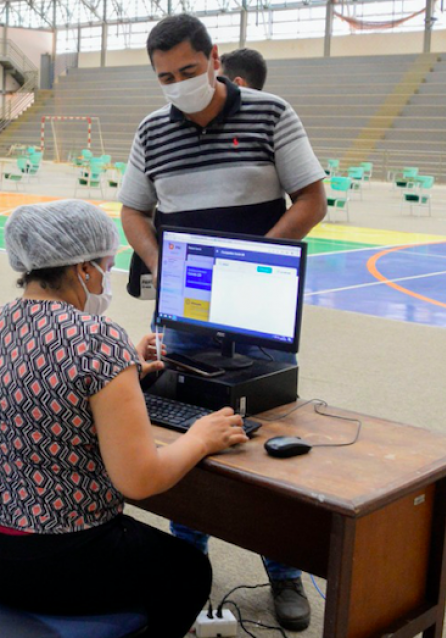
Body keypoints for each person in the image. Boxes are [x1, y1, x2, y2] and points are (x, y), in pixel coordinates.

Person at [118, 15, 326, 631]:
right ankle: (189, 568)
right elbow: (132, 210)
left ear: (213, 59)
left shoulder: (270, 113)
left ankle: (285, 576)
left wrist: (257, 260)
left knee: (266, 449)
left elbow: (313, 198)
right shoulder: (153, 130)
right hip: (188, 313)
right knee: (193, 443)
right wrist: (166, 264)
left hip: (259, 310)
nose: (177, 84)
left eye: (187, 71)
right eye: (164, 77)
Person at [0, 199, 248, 636]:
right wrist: (201, 437)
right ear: (83, 269)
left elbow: (39, 392)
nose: (107, 276)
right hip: (57, 564)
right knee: (189, 570)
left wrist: (124, 370)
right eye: (108, 265)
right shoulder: (98, 340)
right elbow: (139, 480)